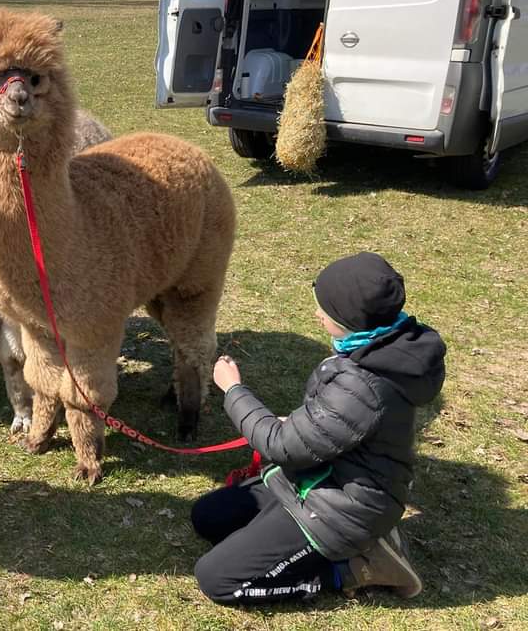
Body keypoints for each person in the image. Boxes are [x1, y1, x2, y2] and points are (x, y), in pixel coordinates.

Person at [191, 252, 446, 605]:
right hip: (319, 479)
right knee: (208, 517)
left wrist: (233, 390)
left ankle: (353, 568)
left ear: (348, 319)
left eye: (323, 310)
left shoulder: (364, 384)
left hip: (342, 510)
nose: (316, 314)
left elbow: (281, 446)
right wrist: (302, 427)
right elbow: (334, 425)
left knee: (216, 579)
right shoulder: (378, 348)